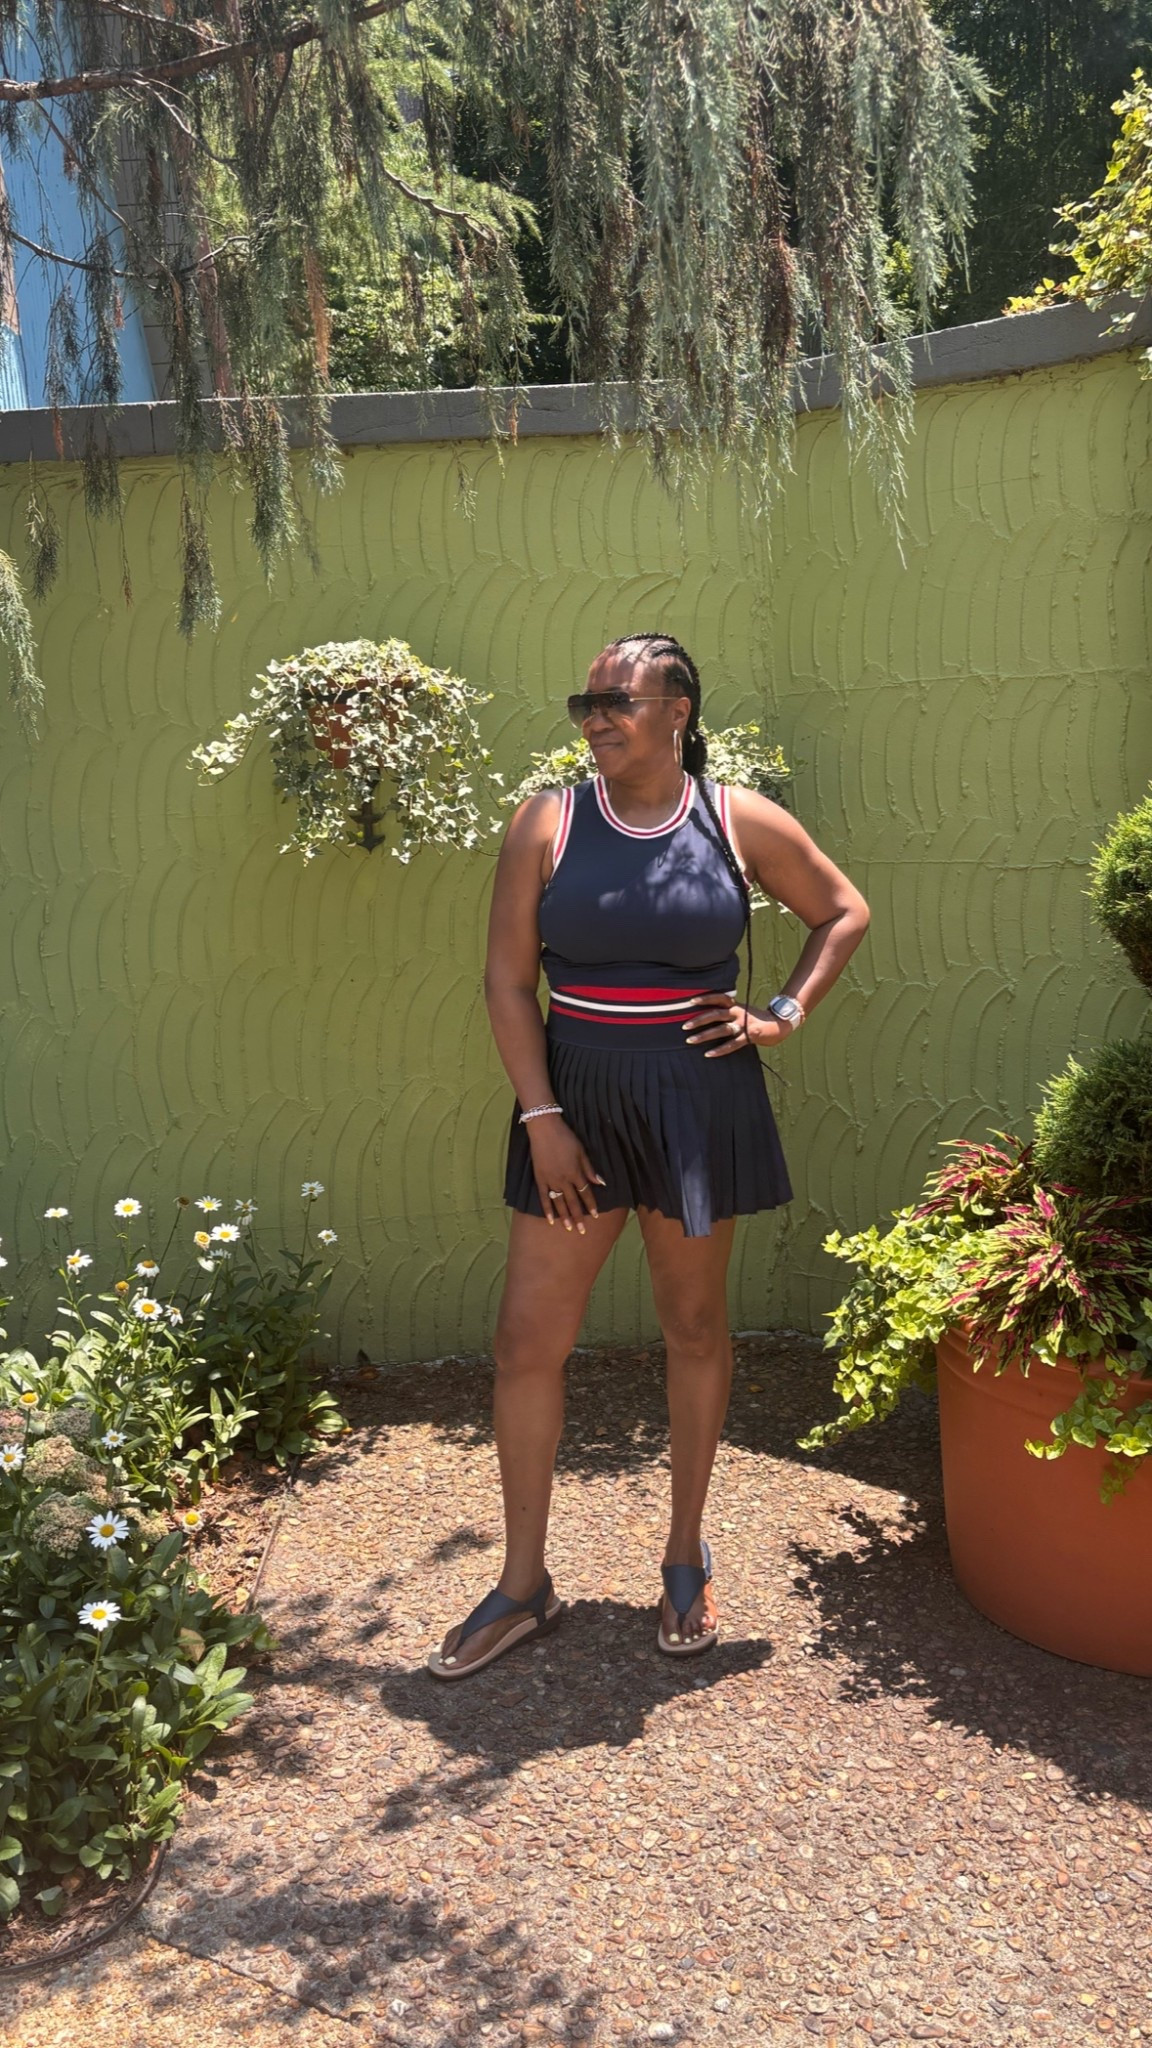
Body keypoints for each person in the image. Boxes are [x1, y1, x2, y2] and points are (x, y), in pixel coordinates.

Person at [427, 632, 870, 1679]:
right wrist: (542, 1118)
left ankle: (683, 1557)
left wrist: (780, 1014)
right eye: (585, 701)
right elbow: (507, 982)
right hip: (573, 1105)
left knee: (694, 1326)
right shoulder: (547, 821)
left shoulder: (734, 819)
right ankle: (523, 1583)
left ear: (679, 710)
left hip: (696, 1103)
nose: (595, 717)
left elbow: (842, 910)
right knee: (526, 1340)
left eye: (617, 700)